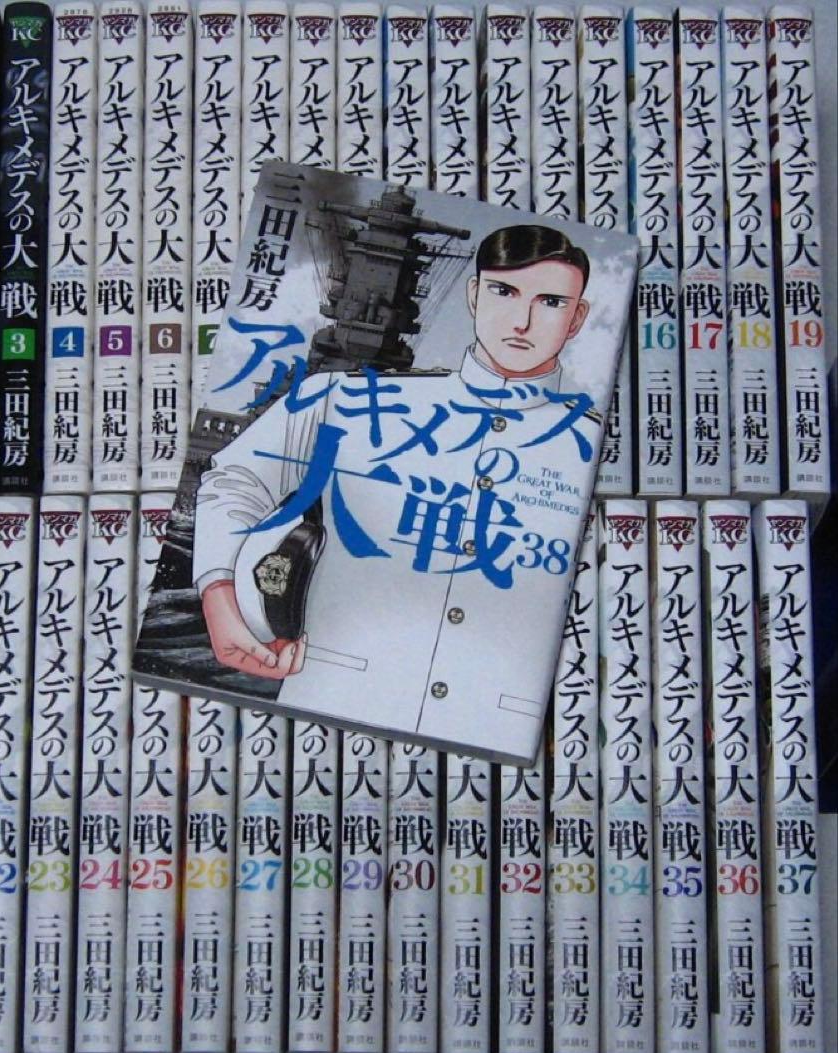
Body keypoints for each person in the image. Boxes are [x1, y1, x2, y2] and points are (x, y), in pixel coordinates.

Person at [192, 223, 599, 750]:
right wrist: (219, 597)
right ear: (474, 294)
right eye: (504, 291)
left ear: (577, 318)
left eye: (551, 302)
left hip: (501, 725)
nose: (522, 321)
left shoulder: (589, 447)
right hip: (332, 712)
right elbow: (234, 478)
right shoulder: (341, 399)